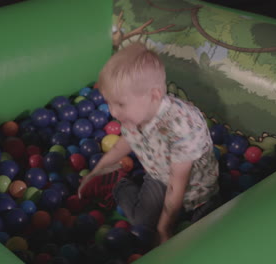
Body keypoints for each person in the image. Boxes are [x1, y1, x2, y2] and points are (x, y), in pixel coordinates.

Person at [78, 42, 220, 244]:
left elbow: (176, 187)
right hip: (159, 175)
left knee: (206, 236)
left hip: (197, 191)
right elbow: (123, 144)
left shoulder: (180, 128)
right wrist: (98, 171)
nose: (113, 112)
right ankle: (117, 184)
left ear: (154, 96)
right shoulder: (135, 116)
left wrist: (164, 229)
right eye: (109, 102)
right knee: (141, 221)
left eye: (120, 104)